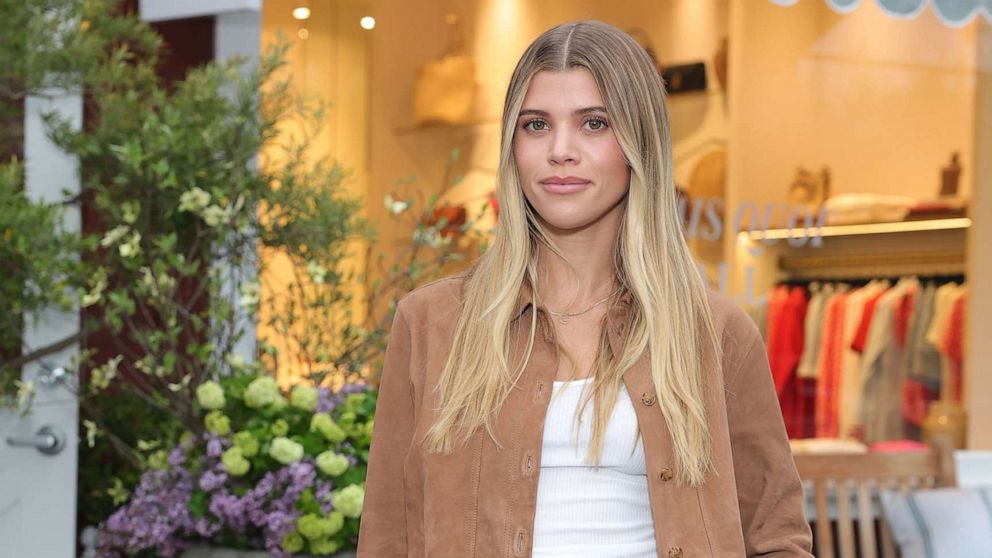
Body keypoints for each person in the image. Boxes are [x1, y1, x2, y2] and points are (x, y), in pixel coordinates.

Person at [357, 20, 813, 558]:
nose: (561, 150)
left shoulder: (712, 332)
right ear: (513, 147)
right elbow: (389, 534)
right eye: (536, 125)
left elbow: (775, 535)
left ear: (638, 143)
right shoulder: (431, 323)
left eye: (594, 123)